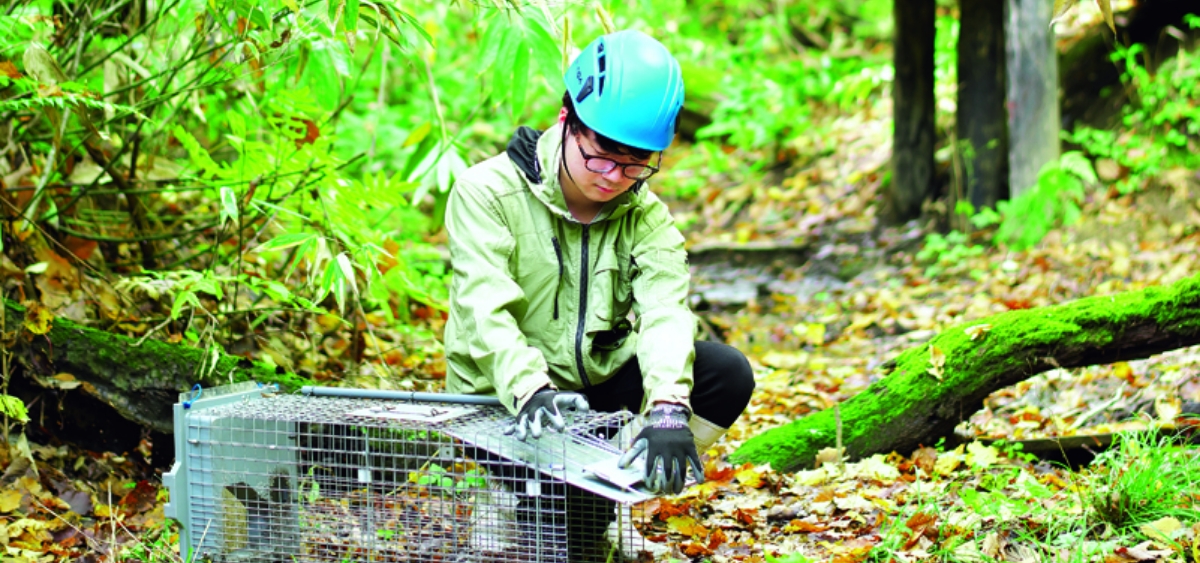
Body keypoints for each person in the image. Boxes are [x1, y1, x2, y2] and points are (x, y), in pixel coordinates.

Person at [443, 28, 755, 559]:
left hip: (596, 390)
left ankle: (612, 493)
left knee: (727, 372)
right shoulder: (486, 191)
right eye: (602, 157)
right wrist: (529, 389)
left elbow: (665, 310)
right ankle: (504, 496)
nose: (614, 178)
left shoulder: (645, 215)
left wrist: (667, 410)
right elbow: (483, 308)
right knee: (555, 545)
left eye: (636, 164)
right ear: (568, 120)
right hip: (508, 401)